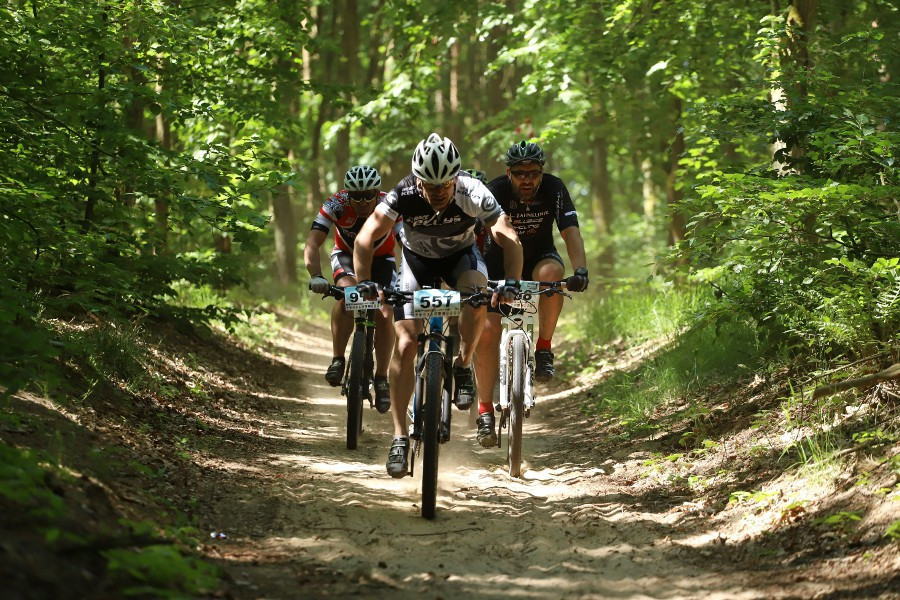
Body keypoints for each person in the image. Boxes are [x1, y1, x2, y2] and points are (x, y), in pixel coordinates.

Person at [353, 133, 523, 478]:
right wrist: (364, 283)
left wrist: (512, 283)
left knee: (476, 298)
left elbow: (508, 235)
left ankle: (462, 365)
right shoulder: (403, 193)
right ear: (418, 179)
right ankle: (400, 437)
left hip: (461, 258)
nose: (438, 191)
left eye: (445, 183)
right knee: (404, 343)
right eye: (430, 185)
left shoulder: (473, 191)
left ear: (456, 177)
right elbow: (365, 238)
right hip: (416, 262)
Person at [472, 141, 588, 447]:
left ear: (542, 172)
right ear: (509, 173)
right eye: (520, 173)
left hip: (539, 258)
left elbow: (570, 231)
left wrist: (580, 271)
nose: (527, 179)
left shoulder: (555, 188)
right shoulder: (495, 189)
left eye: (534, 173)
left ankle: (544, 347)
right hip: (498, 262)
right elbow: (485, 231)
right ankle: (484, 410)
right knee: (487, 329)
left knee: (553, 277)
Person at [304, 165, 396, 413]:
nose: (364, 202)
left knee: (385, 311)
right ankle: (337, 359)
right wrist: (316, 275)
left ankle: (382, 378)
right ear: (348, 194)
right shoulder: (336, 204)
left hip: (382, 261)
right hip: (346, 257)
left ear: (377, 193)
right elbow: (313, 242)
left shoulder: (390, 203)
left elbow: (407, 241)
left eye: (369, 195)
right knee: (347, 297)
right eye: (357, 196)